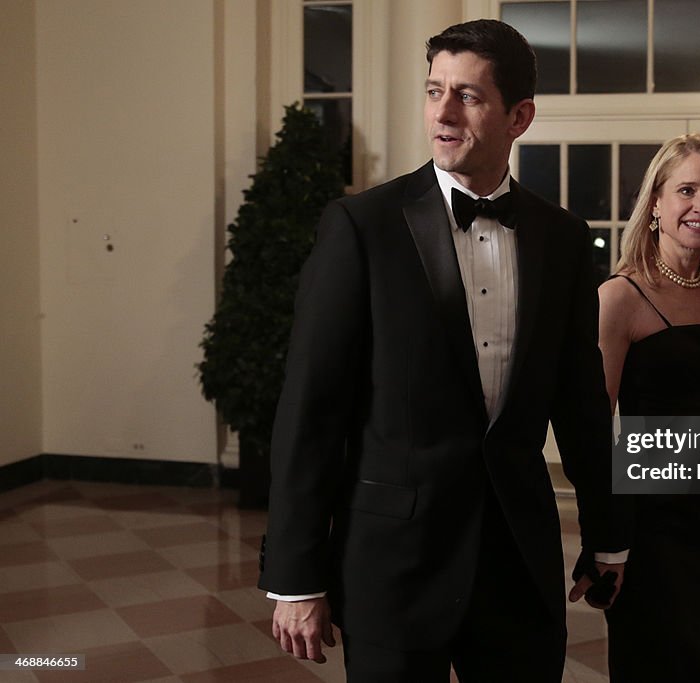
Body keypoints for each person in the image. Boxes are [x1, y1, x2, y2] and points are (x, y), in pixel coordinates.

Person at [257, 19, 627, 683]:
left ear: (520, 116)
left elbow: (579, 401)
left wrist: (606, 532)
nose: (443, 114)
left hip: (518, 560)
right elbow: (311, 410)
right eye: (434, 92)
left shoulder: (565, 238)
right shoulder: (361, 228)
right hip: (392, 565)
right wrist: (294, 573)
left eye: (468, 96)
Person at [597, 133, 700, 681]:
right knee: (664, 660)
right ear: (657, 203)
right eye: (686, 190)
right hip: (650, 522)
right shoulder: (620, 297)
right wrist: (606, 540)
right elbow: (597, 431)